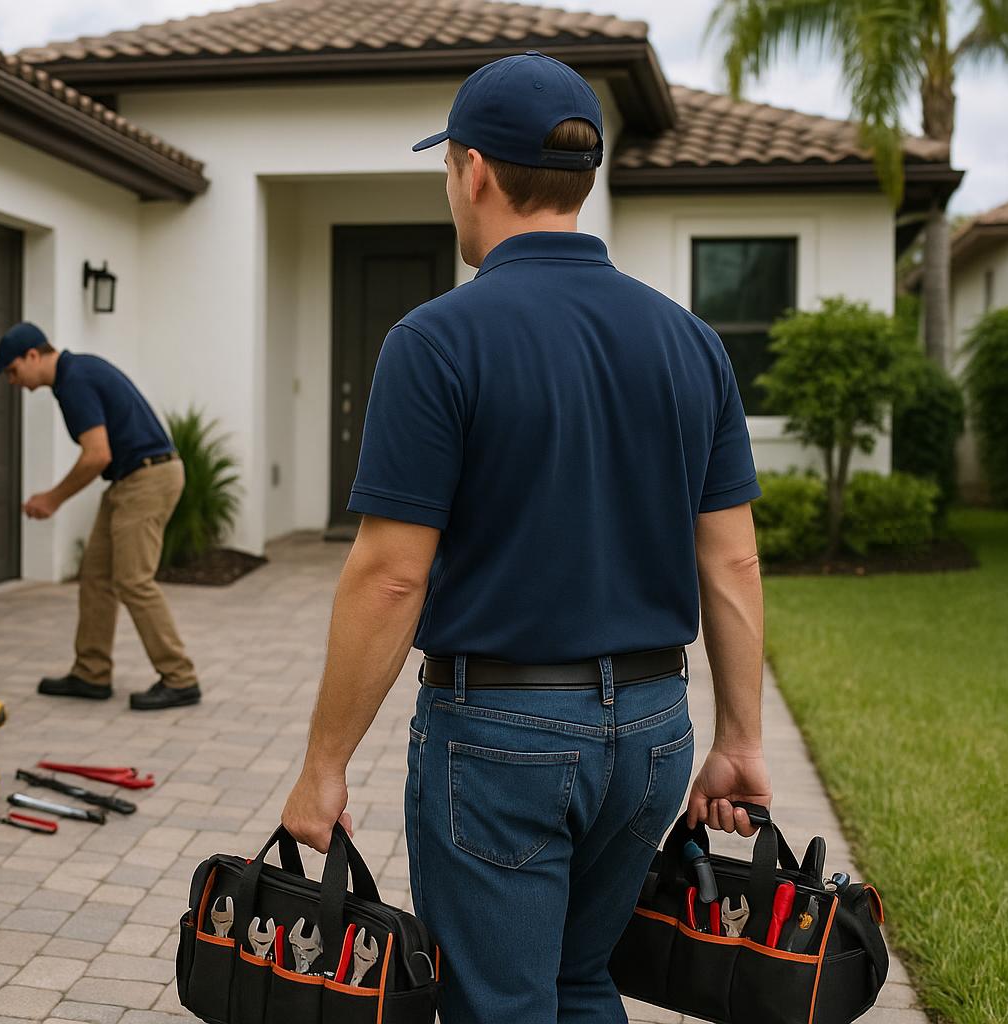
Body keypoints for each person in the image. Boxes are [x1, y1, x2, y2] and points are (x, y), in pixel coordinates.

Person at [280, 52, 772, 1024]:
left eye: (447, 168)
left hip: (500, 743)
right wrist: (741, 740)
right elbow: (734, 559)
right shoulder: (692, 342)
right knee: (581, 981)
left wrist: (324, 766)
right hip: (653, 735)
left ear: (473, 172)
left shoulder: (434, 341)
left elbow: (389, 577)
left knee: (497, 1003)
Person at [0, 322, 202, 711]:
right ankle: (91, 673)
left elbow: (96, 455)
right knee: (96, 576)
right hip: (129, 478)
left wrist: (53, 498)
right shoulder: (75, 374)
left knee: (133, 580)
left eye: (12, 371)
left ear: (33, 355)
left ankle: (180, 679)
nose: (12, 381)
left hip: (147, 478)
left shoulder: (74, 380)